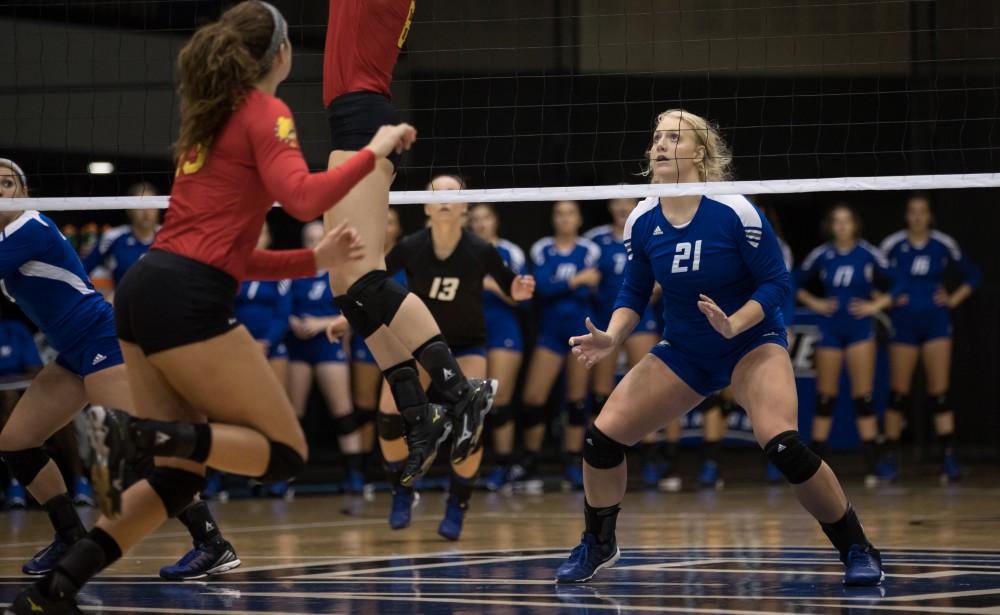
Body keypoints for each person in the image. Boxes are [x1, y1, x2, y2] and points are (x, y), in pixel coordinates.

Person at [4, 3, 414, 611]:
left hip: (142, 293)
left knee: (176, 476)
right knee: (285, 455)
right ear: (280, 54)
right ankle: (142, 432)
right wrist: (372, 150)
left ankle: (57, 585)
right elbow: (301, 199)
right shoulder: (266, 112)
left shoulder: (205, 124)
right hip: (184, 298)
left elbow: (235, 256)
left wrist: (314, 261)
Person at [554, 109, 883, 586]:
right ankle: (599, 543)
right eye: (656, 137)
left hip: (750, 341)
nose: (661, 145)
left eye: (674, 137)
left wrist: (735, 323)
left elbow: (776, 282)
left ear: (700, 152)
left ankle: (856, 546)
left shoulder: (734, 209)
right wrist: (611, 336)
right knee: (600, 441)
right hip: (685, 351)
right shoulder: (643, 219)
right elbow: (633, 291)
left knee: (785, 445)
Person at [322, 0, 496, 487]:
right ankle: (420, 416)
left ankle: (461, 393)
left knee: (361, 276)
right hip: (351, 115)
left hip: (361, 114)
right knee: (345, 283)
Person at [376, 175, 534, 539]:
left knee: (470, 428)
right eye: (436, 193)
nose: (445, 199)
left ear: (465, 205)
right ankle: (403, 489)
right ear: (425, 205)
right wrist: (345, 316)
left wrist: (519, 289)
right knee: (388, 419)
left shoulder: (479, 249)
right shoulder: (411, 246)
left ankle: (457, 504)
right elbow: (373, 286)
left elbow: (510, 283)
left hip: (466, 346)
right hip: (418, 345)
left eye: (453, 193)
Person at [0, 158, 135, 578]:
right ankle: (70, 537)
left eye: (6, 183)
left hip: (101, 338)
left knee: (130, 445)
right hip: (70, 353)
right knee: (16, 441)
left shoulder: (30, 227)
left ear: (24, 194)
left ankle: (211, 540)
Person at [878, 194, 979, 483]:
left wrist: (953, 299)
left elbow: (973, 275)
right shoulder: (892, 244)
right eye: (913, 211)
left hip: (936, 324)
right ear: (907, 216)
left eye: (923, 212)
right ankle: (890, 458)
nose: (918, 217)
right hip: (904, 325)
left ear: (930, 216)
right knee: (898, 393)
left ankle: (949, 459)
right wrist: (883, 300)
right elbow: (867, 275)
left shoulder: (942, 244)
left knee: (940, 392)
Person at [797, 204, 897, 485]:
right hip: (830, 330)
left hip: (859, 330)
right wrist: (815, 302)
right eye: (836, 221)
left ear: (855, 224)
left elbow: (899, 283)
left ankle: (874, 464)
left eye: (846, 221)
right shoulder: (822, 254)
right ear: (830, 226)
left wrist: (876, 305)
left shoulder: (867, 253)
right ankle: (813, 468)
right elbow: (792, 280)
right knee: (825, 398)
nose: (841, 226)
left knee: (862, 398)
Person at [517, 201, 600, 490]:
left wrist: (563, 284)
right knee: (533, 398)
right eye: (559, 213)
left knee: (577, 401)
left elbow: (589, 288)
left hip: (579, 332)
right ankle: (530, 461)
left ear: (578, 219)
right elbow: (542, 287)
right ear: (553, 219)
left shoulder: (589, 249)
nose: (564, 218)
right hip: (551, 333)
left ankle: (573, 463)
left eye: (570, 213)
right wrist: (576, 280)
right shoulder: (542, 248)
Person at [584, 198, 666, 487]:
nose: (621, 208)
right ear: (609, 205)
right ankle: (598, 455)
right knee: (601, 391)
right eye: (616, 203)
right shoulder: (595, 241)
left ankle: (651, 459)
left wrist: (660, 284)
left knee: (646, 388)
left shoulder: (649, 230)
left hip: (642, 318)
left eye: (626, 203)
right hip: (607, 321)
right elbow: (583, 270)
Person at [287, 221, 363, 495]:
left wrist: (320, 324)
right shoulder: (295, 273)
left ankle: (354, 474)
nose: (315, 243)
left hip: (329, 344)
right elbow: (283, 307)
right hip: (299, 347)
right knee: (294, 415)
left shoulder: (339, 273)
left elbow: (353, 314)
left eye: (320, 238)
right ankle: (288, 473)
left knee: (343, 413)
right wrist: (293, 322)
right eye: (310, 239)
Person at [467, 203, 528, 491]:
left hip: (504, 330)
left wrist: (492, 285)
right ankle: (470, 467)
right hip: (471, 331)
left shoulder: (509, 252)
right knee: (475, 403)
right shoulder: (462, 250)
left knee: (500, 401)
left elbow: (521, 298)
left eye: (485, 218)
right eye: (475, 219)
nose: (480, 224)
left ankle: (504, 467)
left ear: (495, 221)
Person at [348, 208, 407, 492]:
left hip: (400, 342)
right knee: (363, 406)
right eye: (380, 220)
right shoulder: (360, 257)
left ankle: (397, 469)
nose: (385, 227)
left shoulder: (408, 257)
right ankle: (361, 470)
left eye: (391, 222)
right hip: (367, 336)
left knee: (395, 409)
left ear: (398, 228)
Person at [81, 183, 160, 293]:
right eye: (140, 205)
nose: (146, 211)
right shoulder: (113, 237)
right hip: (123, 305)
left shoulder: (170, 237)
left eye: (151, 204)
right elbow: (82, 272)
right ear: (129, 210)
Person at [0, 315, 44, 509]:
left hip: (23, 394)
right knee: (7, 398)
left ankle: (80, 481)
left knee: (65, 423)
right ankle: (15, 479)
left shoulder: (14, 329)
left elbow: (35, 371)